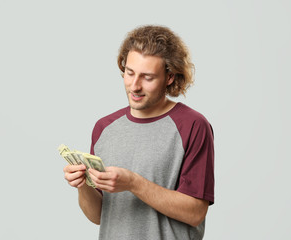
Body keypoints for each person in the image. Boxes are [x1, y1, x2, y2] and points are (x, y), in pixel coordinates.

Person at [63, 25, 215, 240]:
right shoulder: (103, 128)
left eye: (148, 77)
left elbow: (195, 213)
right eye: (129, 73)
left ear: (169, 77)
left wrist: (134, 183)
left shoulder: (192, 125)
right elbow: (98, 215)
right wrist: (82, 186)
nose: (134, 86)